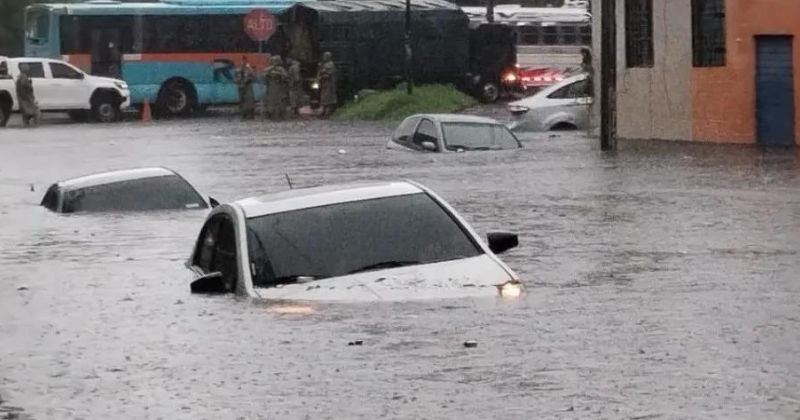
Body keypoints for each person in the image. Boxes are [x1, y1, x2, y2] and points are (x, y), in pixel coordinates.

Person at [263, 56, 289, 121]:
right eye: (273, 61)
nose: (275, 62)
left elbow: (285, 76)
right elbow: (264, 75)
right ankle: (271, 115)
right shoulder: (268, 69)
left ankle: (280, 115)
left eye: (276, 61)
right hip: (271, 88)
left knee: (280, 102)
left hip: (279, 87)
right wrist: (269, 73)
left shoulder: (281, 69)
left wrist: (279, 74)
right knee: (271, 102)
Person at [317, 52, 337, 117]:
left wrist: (321, 77)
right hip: (324, 83)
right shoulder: (324, 64)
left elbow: (328, 74)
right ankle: (324, 111)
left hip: (329, 84)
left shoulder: (330, 64)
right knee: (324, 97)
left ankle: (328, 112)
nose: (323, 57)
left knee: (328, 97)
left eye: (325, 56)